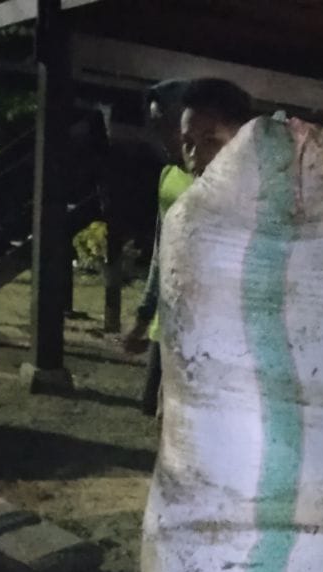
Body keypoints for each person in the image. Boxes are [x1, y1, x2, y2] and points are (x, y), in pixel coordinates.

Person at [124, 78, 253, 414]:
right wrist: (145, 316)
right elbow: (164, 257)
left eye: (211, 140)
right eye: (188, 142)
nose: (195, 154)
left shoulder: (263, 210)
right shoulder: (177, 191)